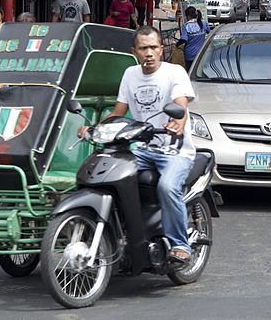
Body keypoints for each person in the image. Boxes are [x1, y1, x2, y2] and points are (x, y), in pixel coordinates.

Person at [79, 26, 196, 264]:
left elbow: (180, 104)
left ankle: (180, 245)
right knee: (108, 176)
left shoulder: (175, 72)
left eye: (154, 47)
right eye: (143, 48)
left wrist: (179, 122)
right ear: (135, 52)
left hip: (174, 150)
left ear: (162, 49)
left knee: (167, 187)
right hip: (141, 149)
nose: (149, 53)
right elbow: (119, 112)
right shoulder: (130, 74)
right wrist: (93, 129)